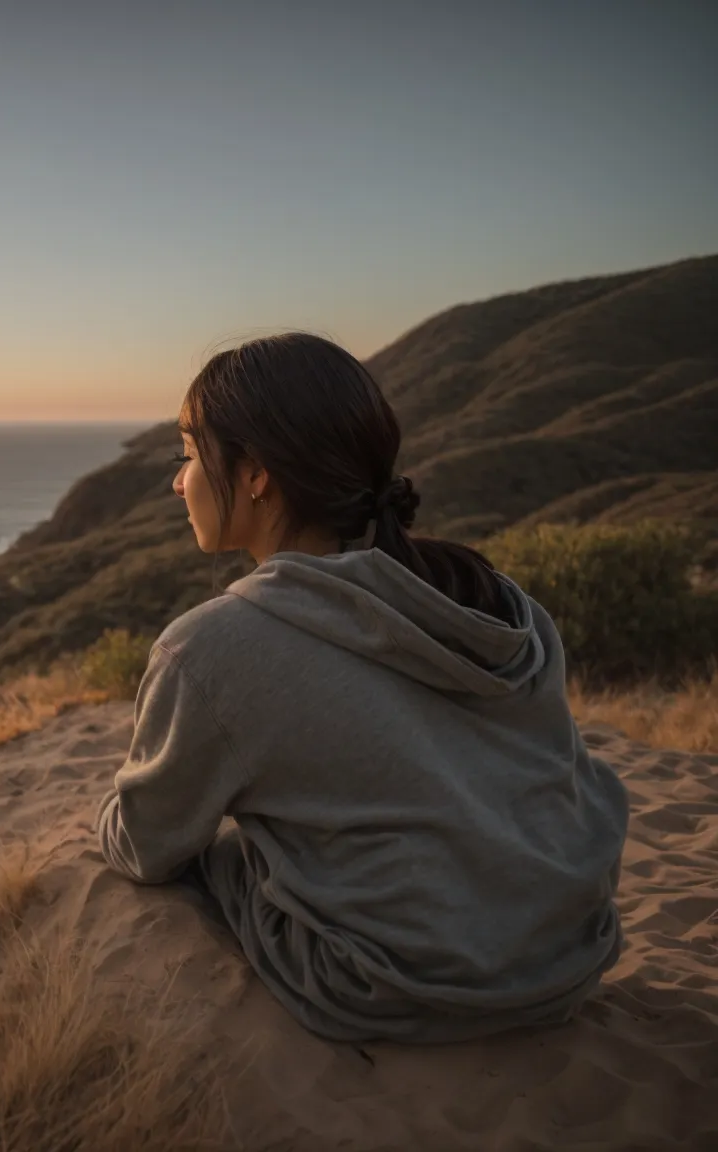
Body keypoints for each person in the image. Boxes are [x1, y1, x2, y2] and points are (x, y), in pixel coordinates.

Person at [96, 332, 629, 1044]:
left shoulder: (210, 647)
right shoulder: (494, 600)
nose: (177, 481)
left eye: (189, 455)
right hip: (568, 955)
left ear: (255, 473)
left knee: (225, 857)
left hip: (399, 985)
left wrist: (110, 811)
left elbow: (145, 844)